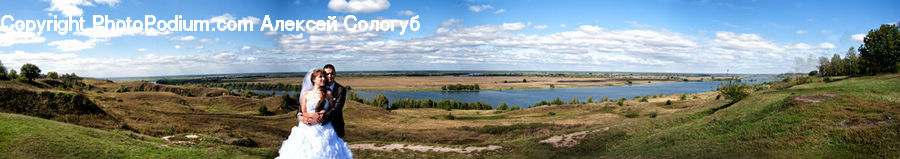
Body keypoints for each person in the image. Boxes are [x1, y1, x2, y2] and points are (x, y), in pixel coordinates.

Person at [276, 69, 352, 159]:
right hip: (308, 126)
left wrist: (324, 111)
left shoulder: (328, 93)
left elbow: (332, 109)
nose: (324, 78)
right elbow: (303, 111)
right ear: (313, 79)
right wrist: (312, 116)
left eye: (324, 76)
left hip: (324, 127)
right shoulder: (306, 94)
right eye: (320, 77)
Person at [303, 64, 347, 138]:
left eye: (332, 73)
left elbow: (337, 108)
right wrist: (304, 117)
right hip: (311, 125)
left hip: (333, 125)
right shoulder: (315, 87)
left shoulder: (340, 89)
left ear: (335, 74)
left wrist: (321, 115)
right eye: (327, 74)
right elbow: (302, 108)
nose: (329, 76)